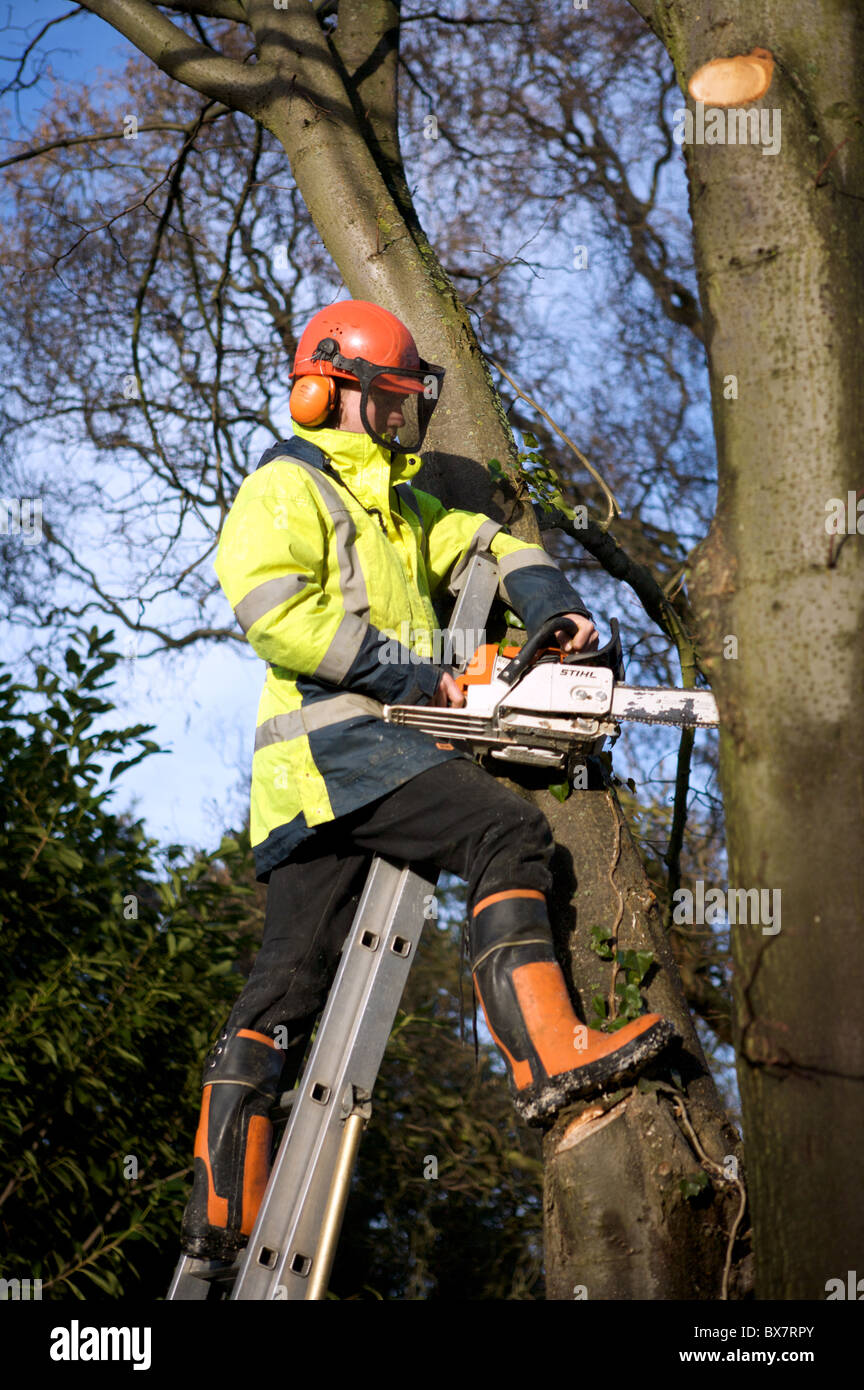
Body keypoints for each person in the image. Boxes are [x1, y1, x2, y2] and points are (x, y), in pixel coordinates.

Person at [180, 300, 676, 1261]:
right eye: (391, 400)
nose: (404, 420)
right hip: (342, 745)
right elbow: (274, 612)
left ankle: (220, 1213)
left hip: (316, 788)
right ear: (330, 390)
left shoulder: (404, 509)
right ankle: (549, 1058)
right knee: (505, 835)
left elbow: (485, 542)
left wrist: (552, 605)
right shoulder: (288, 486)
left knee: (284, 987)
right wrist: (407, 674)